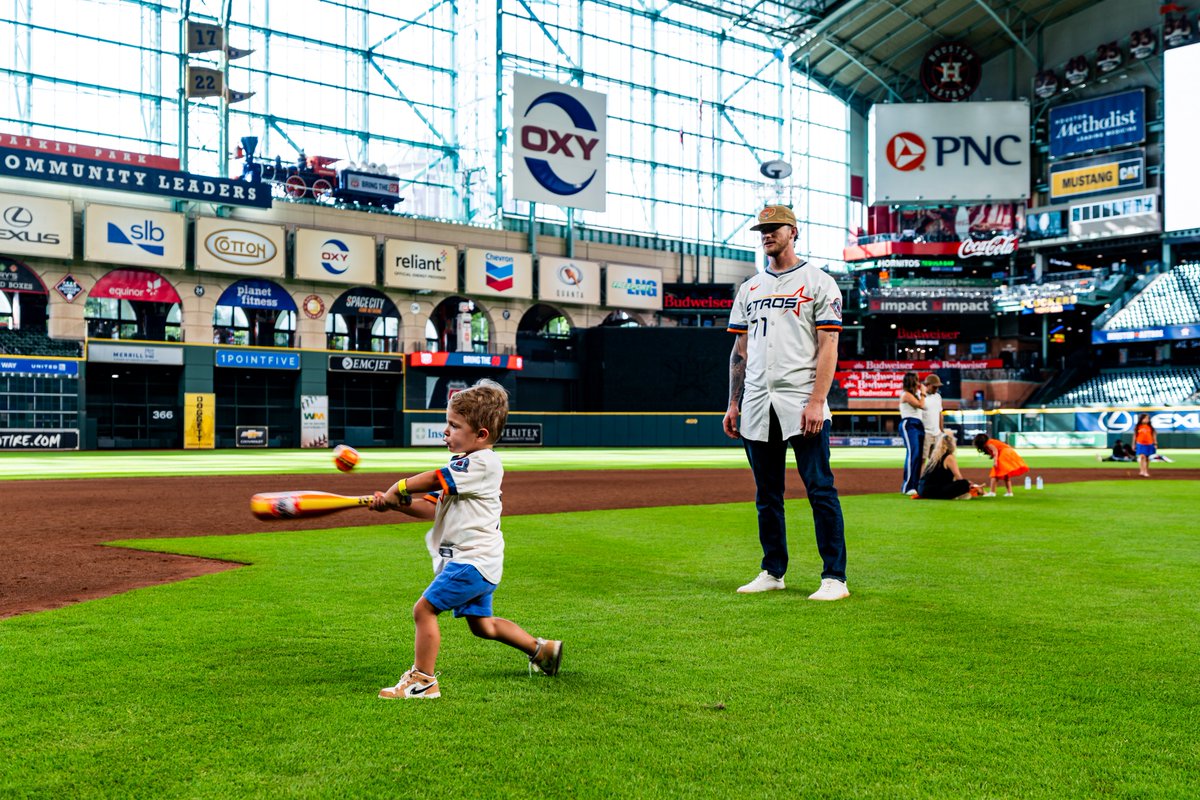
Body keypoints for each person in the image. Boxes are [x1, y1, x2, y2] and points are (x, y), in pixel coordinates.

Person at [369, 379, 562, 699]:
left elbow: (432, 479)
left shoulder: (484, 463)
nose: (446, 431)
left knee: (423, 610)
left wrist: (399, 487)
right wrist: (397, 505)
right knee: (482, 626)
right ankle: (543, 651)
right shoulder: (463, 466)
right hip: (476, 561)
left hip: (472, 561)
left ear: (481, 434)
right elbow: (432, 508)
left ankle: (423, 681)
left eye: (454, 425)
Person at [723, 204, 849, 602]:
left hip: (801, 400)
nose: (766, 234)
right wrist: (732, 402)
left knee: (820, 489)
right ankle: (773, 570)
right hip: (758, 401)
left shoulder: (819, 281)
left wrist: (817, 401)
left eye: (773, 228)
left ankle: (834, 577)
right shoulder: (751, 288)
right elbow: (739, 350)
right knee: (767, 494)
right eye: (761, 229)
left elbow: (830, 345)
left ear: (793, 231)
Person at [917, 433, 981, 500]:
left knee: (962, 483)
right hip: (932, 491)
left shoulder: (935, 456)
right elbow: (959, 477)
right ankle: (963, 494)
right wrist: (972, 485)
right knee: (964, 483)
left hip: (921, 490)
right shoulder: (949, 457)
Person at [898, 371, 925, 496]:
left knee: (918, 456)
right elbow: (920, 405)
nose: (919, 382)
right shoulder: (906, 395)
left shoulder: (916, 394)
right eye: (917, 380)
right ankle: (908, 486)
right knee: (913, 454)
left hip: (919, 424)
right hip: (909, 423)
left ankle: (915, 485)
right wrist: (924, 393)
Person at [920, 374, 945, 464]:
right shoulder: (921, 397)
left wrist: (942, 431)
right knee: (923, 460)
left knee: (936, 460)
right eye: (934, 387)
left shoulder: (938, 397)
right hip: (925, 433)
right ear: (928, 385)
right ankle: (922, 478)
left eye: (937, 387)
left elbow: (940, 414)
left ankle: (932, 478)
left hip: (937, 433)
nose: (936, 389)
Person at [1134, 413, 1157, 477]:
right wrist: (1134, 444)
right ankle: (1142, 471)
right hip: (1140, 443)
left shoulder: (1150, 427)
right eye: (1145, 418)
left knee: (1147, 458)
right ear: (1141, 419)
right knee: (1142, 457)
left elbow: (1154, 435)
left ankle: (1145, 470)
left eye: (1148, 418)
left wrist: (1155, 443)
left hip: (1149, 443)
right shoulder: (1138, 427)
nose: (1146, 420)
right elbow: (1135, 436)